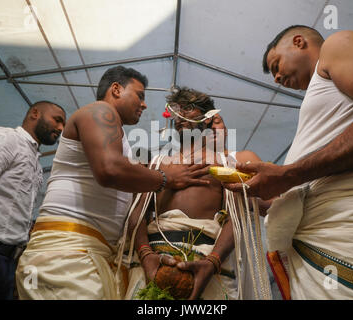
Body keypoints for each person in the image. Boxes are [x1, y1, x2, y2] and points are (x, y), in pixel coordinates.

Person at [225, 25, 353, 299]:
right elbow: (319, 179)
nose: (276, 78)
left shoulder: (338, 44)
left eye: (276, 65)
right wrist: (269, 201)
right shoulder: (321, 99)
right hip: (324, 246)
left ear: (299, 42)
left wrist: (290, 174)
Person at [15, 67, 211, 300]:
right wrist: (166, 178)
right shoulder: (100, 111)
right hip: (65, 254)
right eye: (140, 95)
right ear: (116, 89)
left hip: (89, 255)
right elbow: (110, 169)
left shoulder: (118, 139)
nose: (144, 104)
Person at [123, 87, 269, 300]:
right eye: (177, 111)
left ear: (208, 119)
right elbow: (137, 215)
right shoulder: (156, 165)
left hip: (206, 263)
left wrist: (211, 263)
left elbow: (237, 220)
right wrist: (146, 257)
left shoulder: (226, 165)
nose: (181, 116)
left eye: (189, 109)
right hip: (155, 262)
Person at [0, 101, 67, 300]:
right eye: (57, 120)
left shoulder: (34, 160)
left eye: (63, 124)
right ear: (35, 113)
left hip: (9, 262)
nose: (61, 128)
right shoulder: (6, 139)